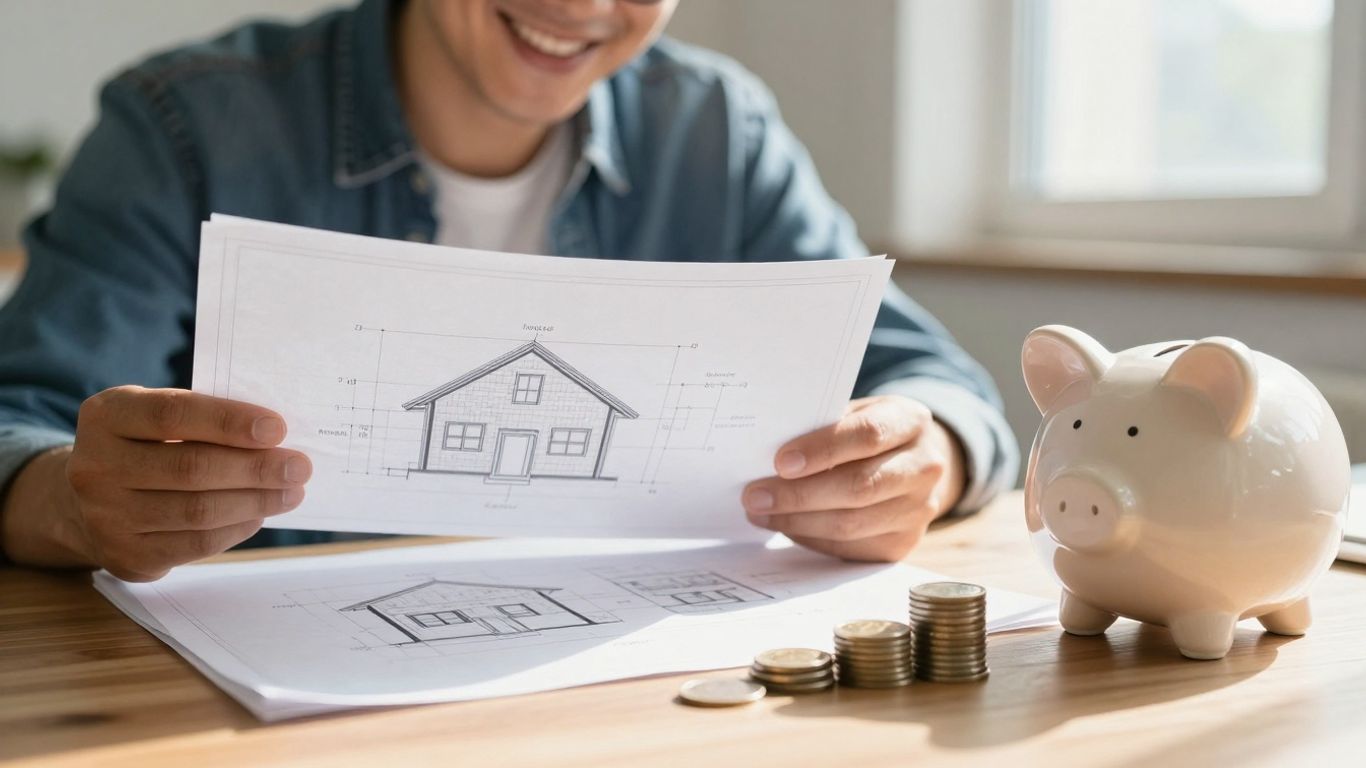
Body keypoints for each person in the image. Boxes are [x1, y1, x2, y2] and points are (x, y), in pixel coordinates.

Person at [0, 0, 1017, 581]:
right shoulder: (185, 127)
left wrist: (925, 449)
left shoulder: (717, 130)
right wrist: (76, 505)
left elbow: (933, 382)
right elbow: (19, 424)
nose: (580, 7)